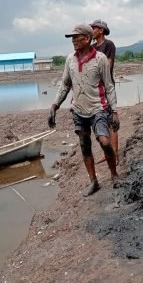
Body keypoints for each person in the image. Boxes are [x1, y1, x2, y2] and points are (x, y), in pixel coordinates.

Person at [48, 23, 120, 196]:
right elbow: (65, 85)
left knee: (104, 141)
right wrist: (54, 105)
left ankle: (114, 174)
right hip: (78, 110)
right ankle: (93, 181)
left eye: (76, 37)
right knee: (84, 145)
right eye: (72, 38)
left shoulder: (100, 58)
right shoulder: (70, 60)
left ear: (87, 39)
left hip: (99, 108)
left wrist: (115, 111)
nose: (73, 41)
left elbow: (109, 86)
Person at [90, 19, 119, 164]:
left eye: (94, 28)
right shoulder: (92, 47)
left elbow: (107, 66)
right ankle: (108, 154)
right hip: (95, 89)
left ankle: (115, 154)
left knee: (111, 122)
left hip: (106, 88)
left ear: (101, 30)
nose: (92, 30)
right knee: (101, 121)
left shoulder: (109, 45)